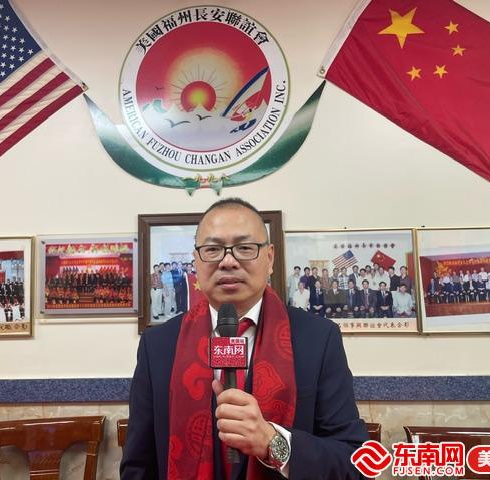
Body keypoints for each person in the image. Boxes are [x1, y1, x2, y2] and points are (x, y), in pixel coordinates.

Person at [121, 198, 366, 480]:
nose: (228, 261)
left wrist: (273, 442)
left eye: (245, 248)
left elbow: (355, 462)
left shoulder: (318, 338)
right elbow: (138, 466)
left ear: (269, 258)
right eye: (212, 249)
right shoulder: (158, 345)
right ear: (196, 260)